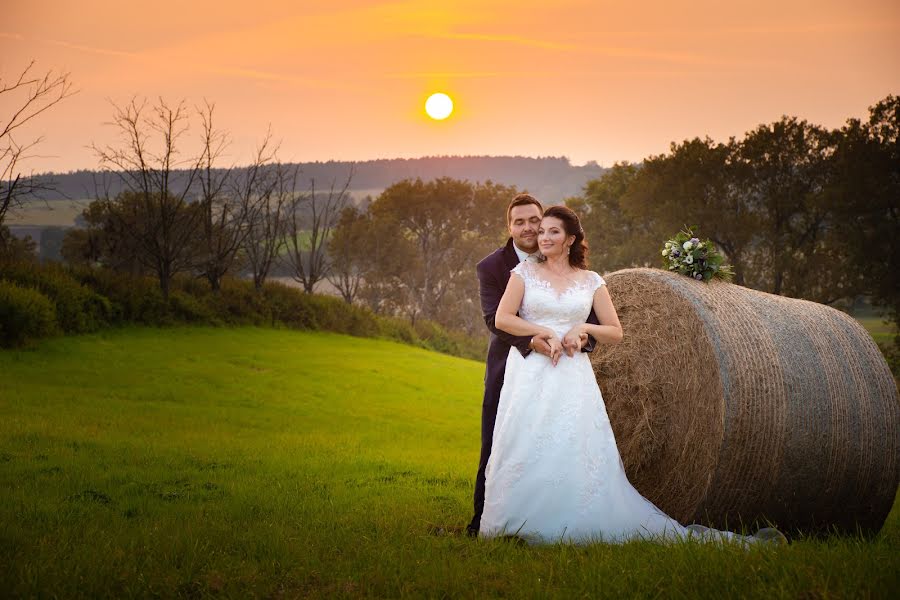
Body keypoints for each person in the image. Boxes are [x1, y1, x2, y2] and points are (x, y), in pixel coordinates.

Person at [480, 205, 782, 545]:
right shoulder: (523, 273)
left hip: (572, 374)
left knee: (570, 442)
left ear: (570, 239)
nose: (543, 237)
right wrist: (544, 332)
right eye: (542, 231)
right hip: (532, 371)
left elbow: (615, 331)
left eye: (553, 232)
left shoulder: (591, 281)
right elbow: (503, 319)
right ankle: (516, 518)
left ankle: (569, 517)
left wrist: (582, 328)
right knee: (527, 440)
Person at [466, 194, 599, 537]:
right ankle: (484, 520)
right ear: (509, 227)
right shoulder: (493, 267)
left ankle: (558, 516)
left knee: (560, 443)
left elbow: (590, 317)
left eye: (533, 221)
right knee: (499, 442)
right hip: (512, 368)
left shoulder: (572, 266)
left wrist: (583, 337)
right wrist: (533, 341)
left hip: (566, 369)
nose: (528, 228)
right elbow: (494, 319)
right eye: (518, 222)